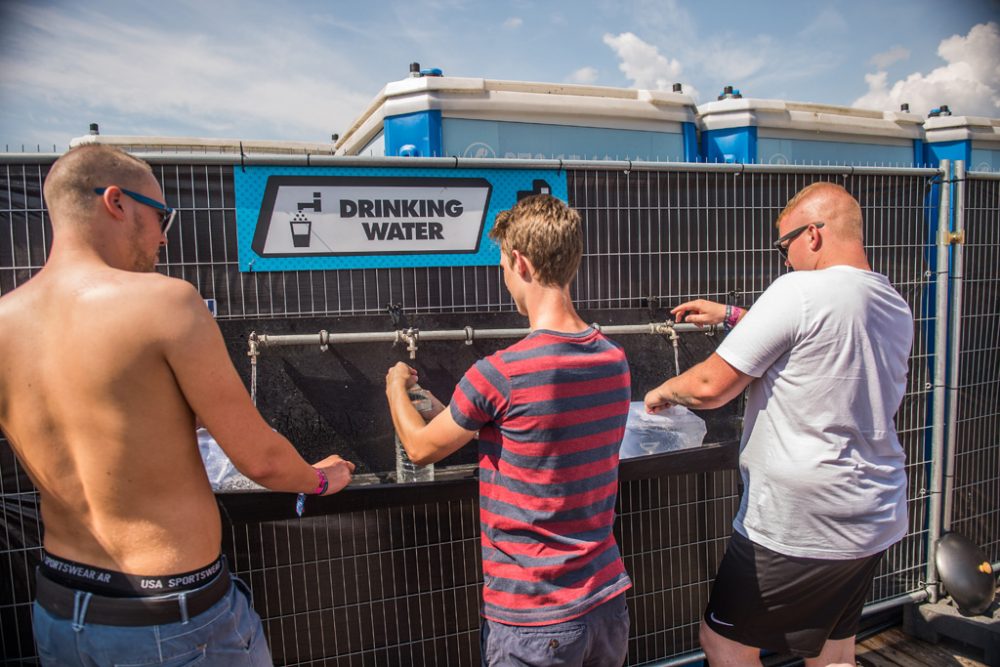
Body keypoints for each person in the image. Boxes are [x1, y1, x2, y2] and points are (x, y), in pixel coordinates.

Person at [0, 145, 355, 666]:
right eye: (160, 215)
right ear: (116, 202)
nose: (165, 236)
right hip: (169, 618)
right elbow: (260, 461)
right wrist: (323, 478)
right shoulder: (165, 302)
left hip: (59, 608)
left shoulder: (5, 321)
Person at [644, 182, 912, 667]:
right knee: (833, 650)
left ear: (812, 235)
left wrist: (663, 391)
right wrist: (732, 315)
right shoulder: (891, 300)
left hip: (802, 520)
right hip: (875, 513)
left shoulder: (799, 290)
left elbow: (710, 386)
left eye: (783, 245)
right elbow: (821, 335)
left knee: (725, 643)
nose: (783, 259)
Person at [385, 194, 633, 666]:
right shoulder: (614, 361)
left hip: (533, 620)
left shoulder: (501, 374)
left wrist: (396, 387)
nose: (503, 277)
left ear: (520, 262)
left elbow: (419, 449)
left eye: (502, 264)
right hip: (606, 603)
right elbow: (538, 432)